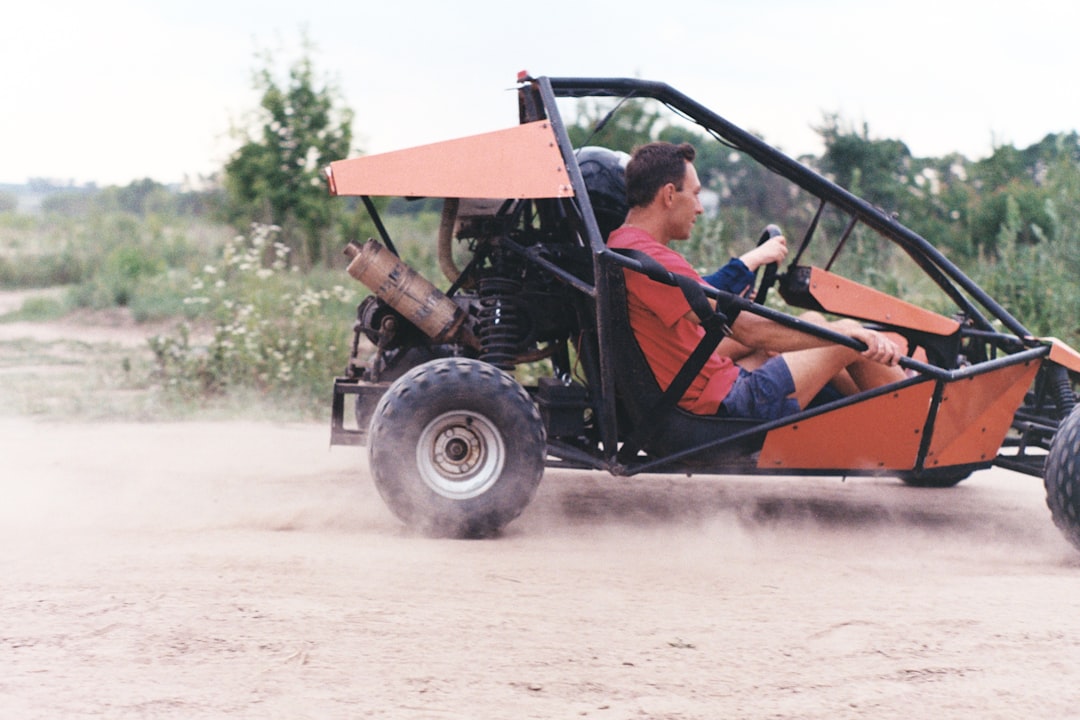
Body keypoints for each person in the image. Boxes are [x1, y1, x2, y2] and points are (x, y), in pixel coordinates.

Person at [607, 141, 905, 421]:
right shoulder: (651, 263)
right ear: (669, 195)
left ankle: (880, 424)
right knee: (849, 338)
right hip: (725, 403)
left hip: (703, 385)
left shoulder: (623, 246)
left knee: (812, 323)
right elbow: (748, 330)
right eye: (695, 194)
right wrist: (847, 333)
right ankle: (922, 425)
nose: (699, 207)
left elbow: (709, 328)